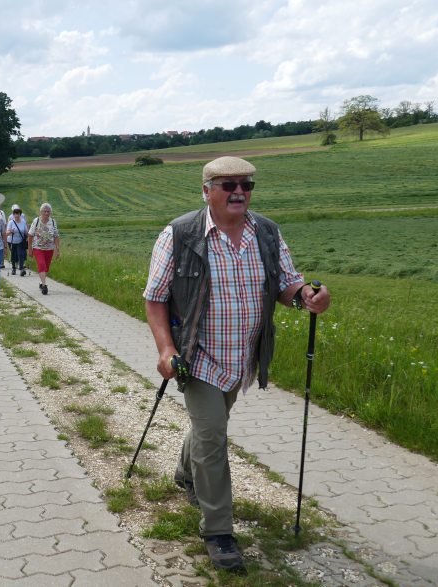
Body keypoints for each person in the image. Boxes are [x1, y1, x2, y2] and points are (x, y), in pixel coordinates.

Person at [143, 156, 331, 573]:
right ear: (206, 190)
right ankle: (218, 532)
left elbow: (286, 283)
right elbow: (155, 298)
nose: (239, 192)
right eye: (228, 185)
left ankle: (186, 473)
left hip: (243, 355)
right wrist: (165, 349)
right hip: (197, 356)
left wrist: (306, 297)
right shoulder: (180, 234)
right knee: (213, 435)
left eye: (247, 185)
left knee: (208, 427)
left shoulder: (266, 232)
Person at [27, 202, 60, 295]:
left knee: (46, 267)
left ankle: (42, 282)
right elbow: (30, 235)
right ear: (41, 212)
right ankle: (45, 286)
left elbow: (56, 236)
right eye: (45, 211)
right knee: (42, 265)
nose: (46, 213)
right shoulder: (36, 221)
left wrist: (57, 249)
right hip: (38, 248)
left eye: (48, 211)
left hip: (49, 248)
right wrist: (29, 248)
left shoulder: (52, 222)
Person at [6, 204, 29, 276]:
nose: (16, 215)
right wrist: (10, 231)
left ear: (20, 214)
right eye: (15, 214)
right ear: (13, 215)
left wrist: (28, 237)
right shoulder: (11, 222)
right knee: (13, 255)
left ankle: (21, 269)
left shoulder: (23, 222)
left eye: (18, 214)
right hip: (11, 241)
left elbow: (26, 231)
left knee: (20, 254)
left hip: (20, 241)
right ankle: (13, 268)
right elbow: (7, 233)